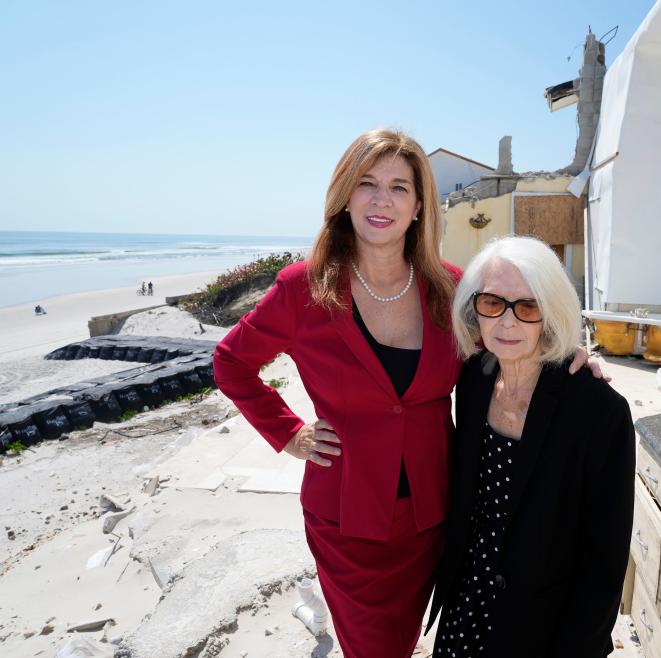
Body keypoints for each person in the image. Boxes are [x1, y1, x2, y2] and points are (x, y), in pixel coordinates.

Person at [213, 129, 602, 658]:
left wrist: (572, 358)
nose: (381, 199)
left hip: (436, 520)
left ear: (419, 205)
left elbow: (511, 341)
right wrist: (289, 433)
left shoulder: (452, 288)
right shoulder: (302, 289)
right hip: (346, 522)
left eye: (399, 187)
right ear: (344, 196)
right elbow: (231, 362)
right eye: (367, 184)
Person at [428, 236, 635, 658]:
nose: (507, 322)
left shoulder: (599, 411)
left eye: (528, 306)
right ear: (475, 310)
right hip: (465, 611)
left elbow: (605, 563)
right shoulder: (473, 379)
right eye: (492, 303)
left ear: (551, 311)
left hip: (543, 629)